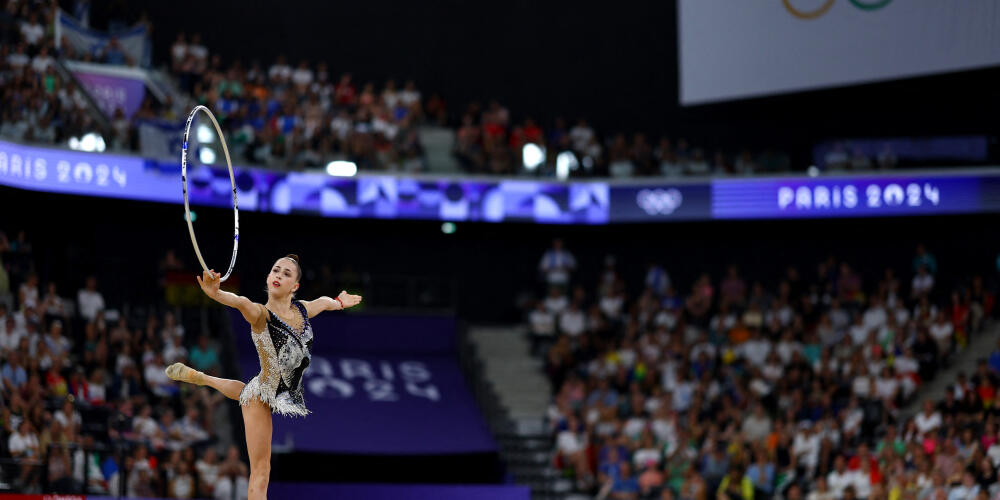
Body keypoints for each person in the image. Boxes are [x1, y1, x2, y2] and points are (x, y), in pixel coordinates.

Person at [165, 254, 361, 500]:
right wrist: (216, 294)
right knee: (261, 471)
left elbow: (324, 302)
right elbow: (240, 302)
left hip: (281, 389)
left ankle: (202, 377)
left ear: (295, 286)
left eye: (286, 273)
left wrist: (339, 302)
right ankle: (203, 378)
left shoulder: (303, 310)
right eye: (275, 270)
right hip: (263, 393)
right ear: (268, 277)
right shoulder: (260, 315)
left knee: (245, 390)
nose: (279, 275)